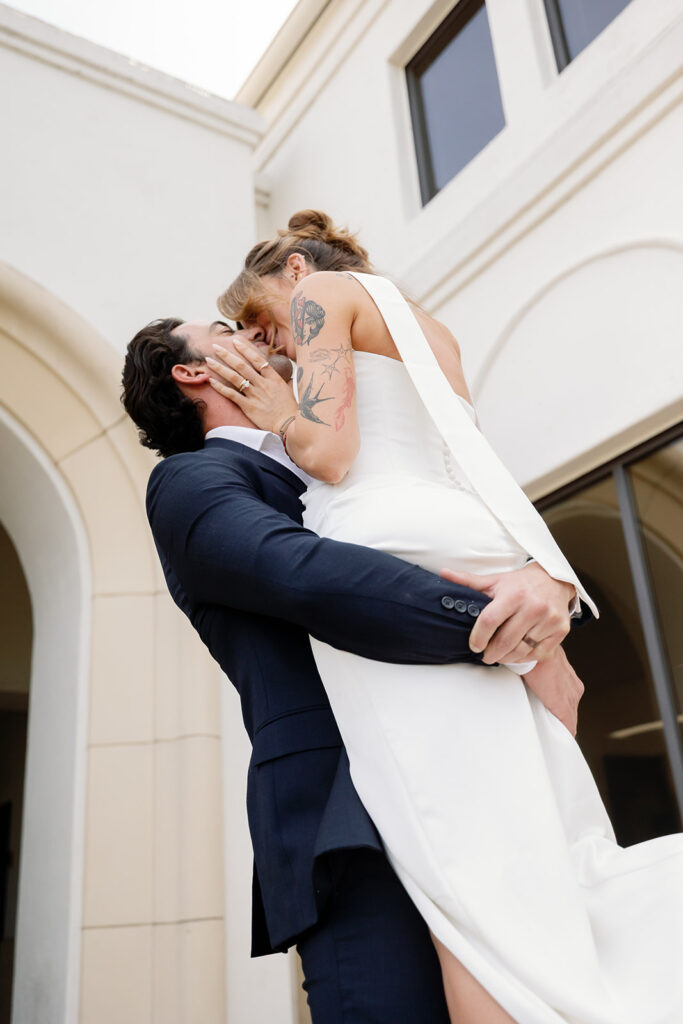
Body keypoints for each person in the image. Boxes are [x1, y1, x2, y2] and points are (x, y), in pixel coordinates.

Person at [213, 210, 683, 1024]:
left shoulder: (322, 293)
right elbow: (469, 464)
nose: (274, 347)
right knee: (520, 842)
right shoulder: (432, 329)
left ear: (292, 270)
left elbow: (329, 454)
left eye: (262, 322)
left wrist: (274, 409)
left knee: (453, 874)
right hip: (470, 546)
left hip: (387, 545)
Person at [122, 316, 586, 1024]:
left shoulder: (354, 461)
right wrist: (513, 637)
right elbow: (305, 576)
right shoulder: (192, 481)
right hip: (348, 814)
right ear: (191, 373)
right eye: (226, 329)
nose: (255, 330)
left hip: (481, 778)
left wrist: (544, 588)